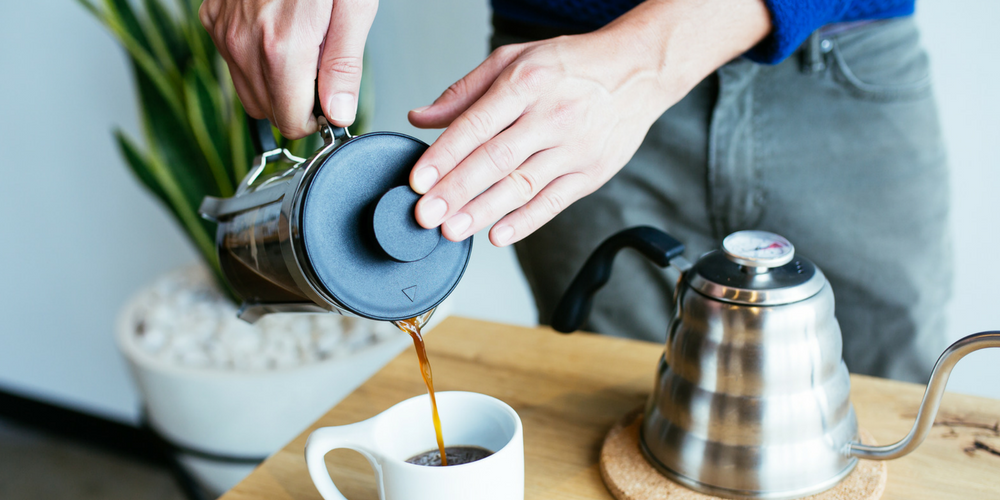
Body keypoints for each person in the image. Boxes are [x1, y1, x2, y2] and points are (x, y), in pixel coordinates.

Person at [198, 0, 950, 383]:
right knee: (606, 420)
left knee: (888, 414)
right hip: (549, 101)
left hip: (838, 69)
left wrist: (645, 59)